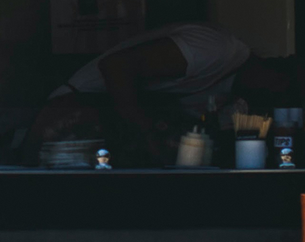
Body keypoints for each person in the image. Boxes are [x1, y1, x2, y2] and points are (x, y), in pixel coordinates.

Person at [38, 22, 253, 167]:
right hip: (76, 119)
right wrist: (147, 132)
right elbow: (115, 67)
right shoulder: (215, 49)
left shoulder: (227, 93)